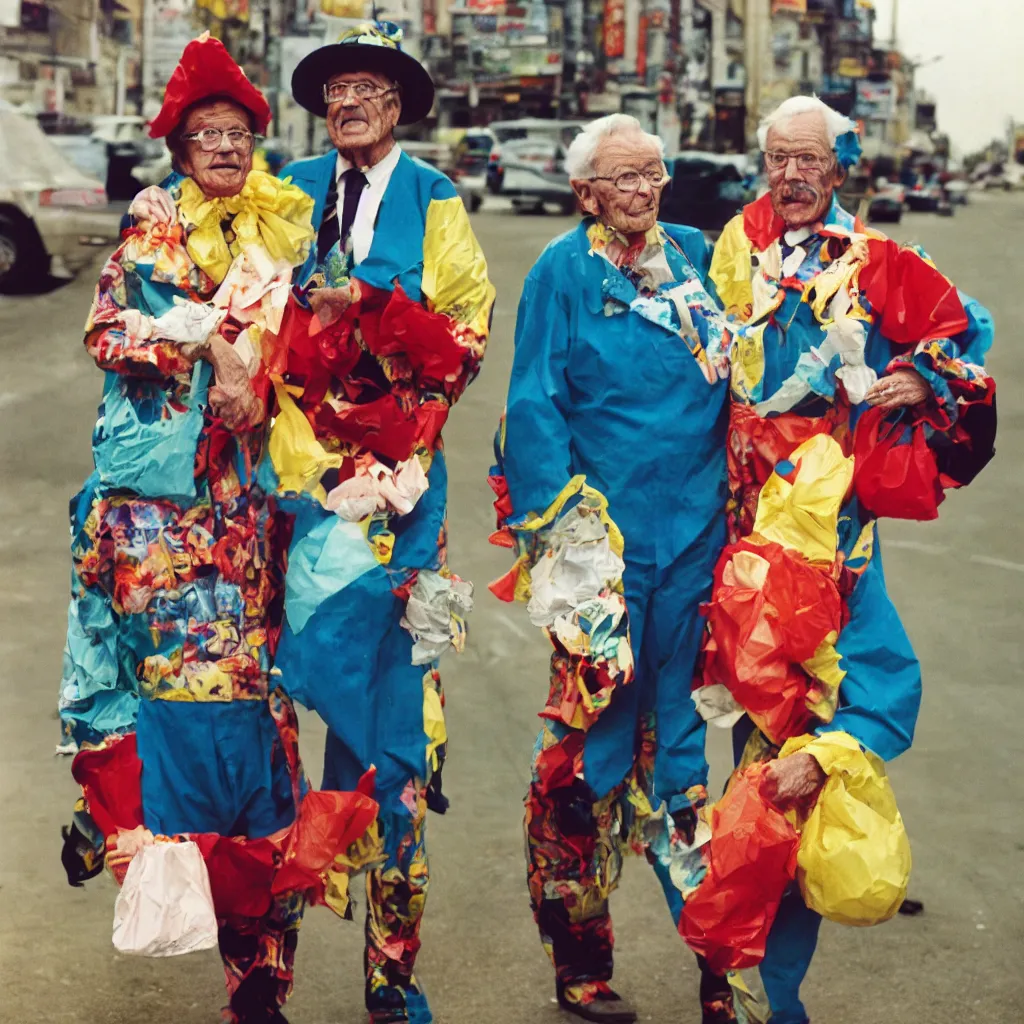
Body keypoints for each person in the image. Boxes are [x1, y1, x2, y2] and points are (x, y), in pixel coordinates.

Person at [58, 34, 378, 1024]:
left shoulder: (280, 231)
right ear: (180, 146)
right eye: (207, 134)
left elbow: (323, 349)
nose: (225, 148)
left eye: (239, 133)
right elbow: (107, 334)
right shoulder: (152, 223)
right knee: (147, 723)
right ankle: (115, 833)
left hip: (249, 517)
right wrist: (208, 353)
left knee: (257, 737)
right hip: (153, 524)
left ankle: (259, 980)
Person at [696, 95, 996, 1024]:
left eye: (809, 160)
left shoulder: (874, 262)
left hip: (829, 543)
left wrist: (925, 373)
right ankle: (724, 971)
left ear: (840, 168)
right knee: (693, 765)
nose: (791, 175)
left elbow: (964, 335)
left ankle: (759, 993)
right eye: (777, 158)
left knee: (787, 766)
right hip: (725, 537)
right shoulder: (728, 250)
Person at [263, 21, 495, 1024]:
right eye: (336, 87)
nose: (349, 101)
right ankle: (260, 974)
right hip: (289, 495)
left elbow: (466, 341)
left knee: (399, 732)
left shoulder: (434, 197)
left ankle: (390, 981)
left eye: (369, 86)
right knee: (270, 712)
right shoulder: (287, 182)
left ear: (400, 104)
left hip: (405, 502)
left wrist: (367, 315)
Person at [490, 114, 741, 1024]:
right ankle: (580, 961)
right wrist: (567, 548)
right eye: (621, 179)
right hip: (604, 562)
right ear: (586, 193)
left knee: (683, 758)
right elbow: (533, 408)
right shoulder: (563, 269)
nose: (642, 191)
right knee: (585, 757)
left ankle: (724, 963)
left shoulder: (702, 255)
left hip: (697, 553)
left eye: (652, 173)